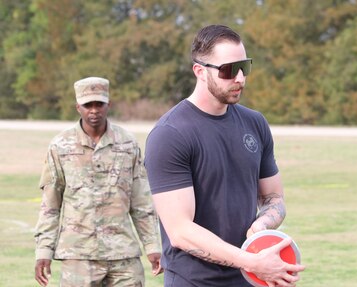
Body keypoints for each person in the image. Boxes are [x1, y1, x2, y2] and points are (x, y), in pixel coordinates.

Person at [144, 24, 305, 287]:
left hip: (250, 279)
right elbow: (181, 232)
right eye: (229, 70)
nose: (240, 78)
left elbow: (274, 198)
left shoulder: (255, 123)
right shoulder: (170, 134)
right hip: (194, 281)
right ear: (199, 71)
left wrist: (262, 223)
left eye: (245, 67)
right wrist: (251, 262)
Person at [34, 77, 162, 287]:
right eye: (87, 105)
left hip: (123, 255)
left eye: (99, 104)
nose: (94, 110)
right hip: (78, 255)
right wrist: (43, 251)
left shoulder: (128, 143)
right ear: (78, 107)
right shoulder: (60, 146)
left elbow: (141, 201)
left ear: (108, 105)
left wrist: (152, 245)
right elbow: (50, 205)